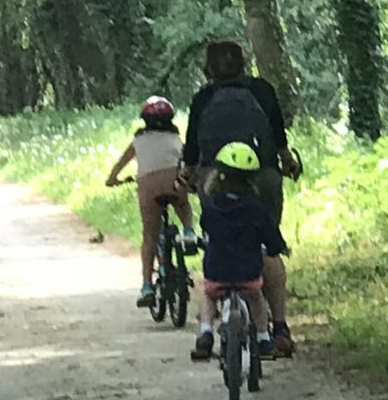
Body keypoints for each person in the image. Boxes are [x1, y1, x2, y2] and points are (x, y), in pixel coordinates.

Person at [180, 39, 299, 356]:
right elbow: (279, 139)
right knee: (265, 245)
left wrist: (187, 175)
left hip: (214, 178)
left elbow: (192, 150)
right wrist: (288, 163)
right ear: (244, 63)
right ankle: (280, 329)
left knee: (219, 235)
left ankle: (210, 321)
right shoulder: (262, 91)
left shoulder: (203, 98)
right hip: (264, 177)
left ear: (208, 69)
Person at [191, 141, 285, 360]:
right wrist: (276, 248)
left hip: (217, 272)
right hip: (248, 273)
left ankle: (205, 332)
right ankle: (263, 337)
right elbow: (271, 237)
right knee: (256, 298)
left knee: (209, 296)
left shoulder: (212, 207)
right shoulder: (256, 210)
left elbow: (207, 230)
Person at [104, 96, 197, 307]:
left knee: (150, 235)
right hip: (174, 181)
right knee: (182, 203)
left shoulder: (138, 141)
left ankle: (147, 285)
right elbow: (186, 160)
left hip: (149, 187)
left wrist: (113, 180)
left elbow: (119, 166)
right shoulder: (175, 139)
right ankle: (189, 232)